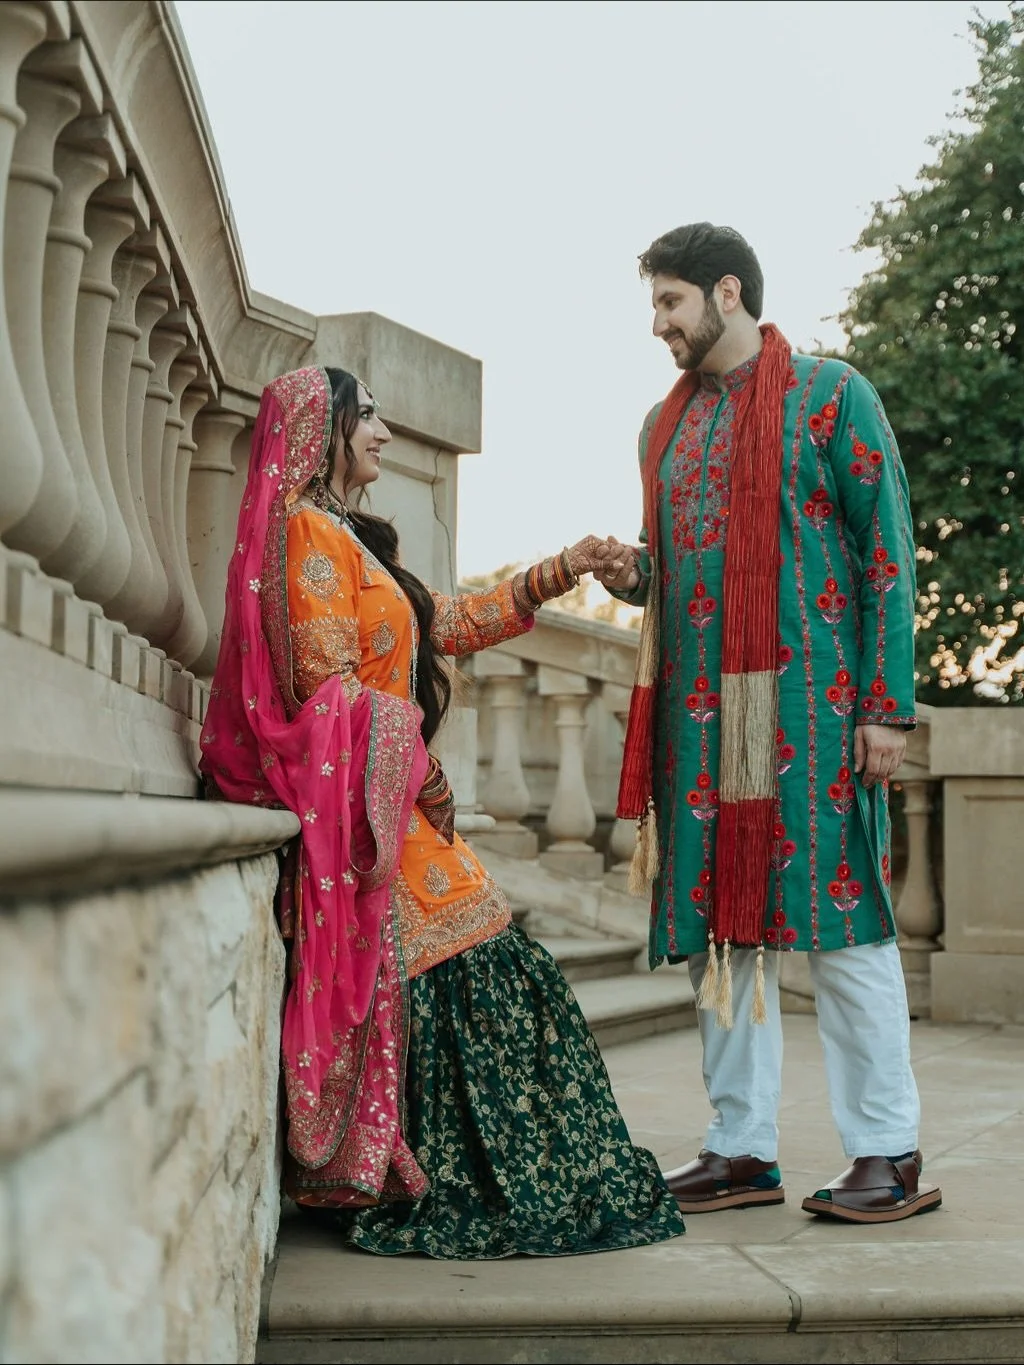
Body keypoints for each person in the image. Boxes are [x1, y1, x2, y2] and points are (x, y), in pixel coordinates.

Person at [199, 363, 684, 1258]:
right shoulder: (308, 537)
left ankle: (496, 1166)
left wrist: (558, 570)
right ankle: (456, 1171)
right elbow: (326, 692)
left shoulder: (347, 535)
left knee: (502, 973)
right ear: (325, 432)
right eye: (367, 416)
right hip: (371, 824)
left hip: (397, 814)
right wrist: (416, 766)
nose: (382, 431)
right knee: (487, 976)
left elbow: (441, 624)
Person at [596, 223, 941, 1225]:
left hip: (815, 715)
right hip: (701, 734)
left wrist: (886, 709)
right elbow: (683, 571)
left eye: (669, 303)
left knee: (845, 936)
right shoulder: (662, 429)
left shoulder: (832, 397)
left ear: (728, 292)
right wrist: (635, 576)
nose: (657, 325)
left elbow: (886, 556)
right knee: (721, 948)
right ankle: (740, 1146)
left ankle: (887, 1150)